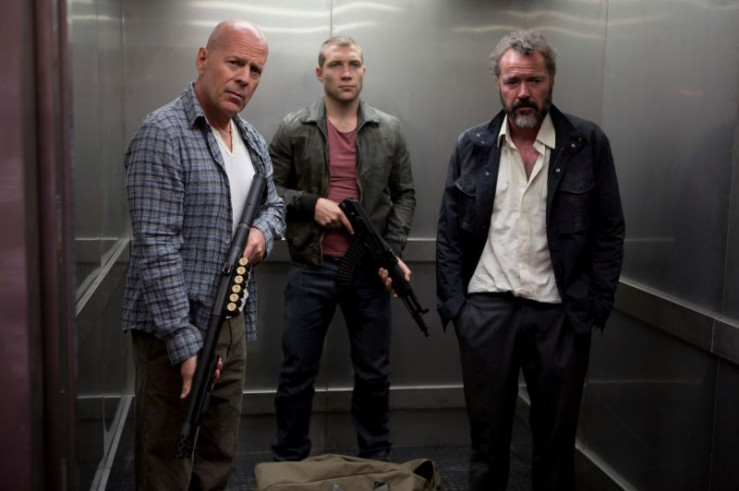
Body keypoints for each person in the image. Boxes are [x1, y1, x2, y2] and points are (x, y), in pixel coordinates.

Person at [436, 30, 625, 490]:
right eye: (512, 81)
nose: (523, 92)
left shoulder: (587, 144)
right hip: (486, 311)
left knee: (556, 448)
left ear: (551, 80)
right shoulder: (471, 145)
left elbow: (609, 231)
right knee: (487, 444)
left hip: (560, 314)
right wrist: (458, 308)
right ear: (498, 84)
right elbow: (448, 233)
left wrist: (594, 306)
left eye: (534, 80)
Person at [122, 20, 285, 490]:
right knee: (168, 462)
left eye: (255, 70)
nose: (244, 78)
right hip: (174, 327)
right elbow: (156, 247)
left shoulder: (250, 139)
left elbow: (274, 205)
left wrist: (262, 232)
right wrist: (183, 341)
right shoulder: (163, 132)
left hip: (231, 322)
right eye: (234, 62)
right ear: (202, 59)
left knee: (217, 456)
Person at [269, 35, 416, 462]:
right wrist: (311, 204)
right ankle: (288, 464)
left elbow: (405, 194)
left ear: (364, 71)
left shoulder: (389, 129)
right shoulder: (294, 127)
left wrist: (391, 252)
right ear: (320, 73)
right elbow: (268, 189)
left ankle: (376, 460)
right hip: (310, 267)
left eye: (353, 64)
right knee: (296, 372)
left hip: (370, 270)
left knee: (374, 374)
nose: (345, 73)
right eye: (335, 65)